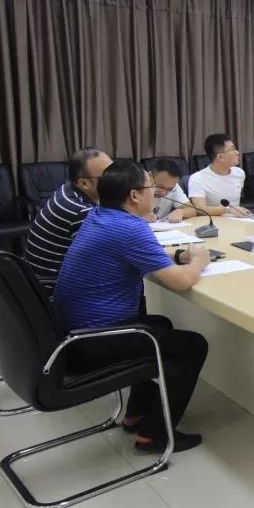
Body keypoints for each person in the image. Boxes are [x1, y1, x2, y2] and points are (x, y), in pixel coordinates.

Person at [53, 160, 210, 453]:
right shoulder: (128, 228)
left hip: (72, 332)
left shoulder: (101, 215)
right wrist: (200, 260)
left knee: (160, 325)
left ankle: (136, 413)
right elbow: (181, 282)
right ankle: (154, 435)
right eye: (150, 187)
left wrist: (178, 257)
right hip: (91, 342)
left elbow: (136, 253)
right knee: (193, 346)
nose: (155, 193)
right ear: (134, 195)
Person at [24, 147, 112, 293]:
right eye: (107, 176)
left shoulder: (68, 188)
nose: (117, 178)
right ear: (84, 183)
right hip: (55, 291)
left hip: (37, 281)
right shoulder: (80, 210)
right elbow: (108, 256)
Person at [187, 133, 251, 216]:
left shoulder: (239, 173)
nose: (237, 152)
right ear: (220, 157)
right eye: (233, 149)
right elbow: (201, 209)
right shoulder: (197, 178)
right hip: (213, 221)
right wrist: (227, 210)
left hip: (237, 220)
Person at [148, 158, 195, 223]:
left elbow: (192, 210)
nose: (164, 193)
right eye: (160, 187)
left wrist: (181, 212)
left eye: (169, 189)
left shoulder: (173, 186)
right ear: (150, 176)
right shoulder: (139, 186)